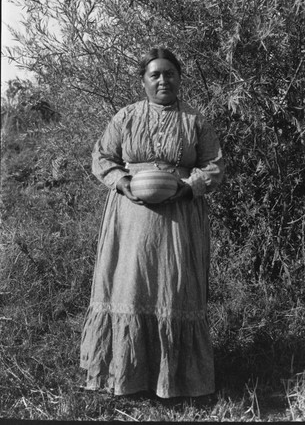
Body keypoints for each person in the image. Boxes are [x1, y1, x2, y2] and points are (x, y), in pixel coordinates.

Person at [80, 47, 224, 398]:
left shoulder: (195, 121)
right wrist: (123, 181)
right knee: (130, 286)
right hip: (130, 218)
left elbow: (214, 165)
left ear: (179, 78)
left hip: (179, 217)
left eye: (169, 73)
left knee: (174, 289)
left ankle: (177, 381)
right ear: (143, 81)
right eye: (155, 75)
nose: (163, 80)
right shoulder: (126, 117)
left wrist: (189, 187)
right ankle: (126, 377)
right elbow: (102, 156)